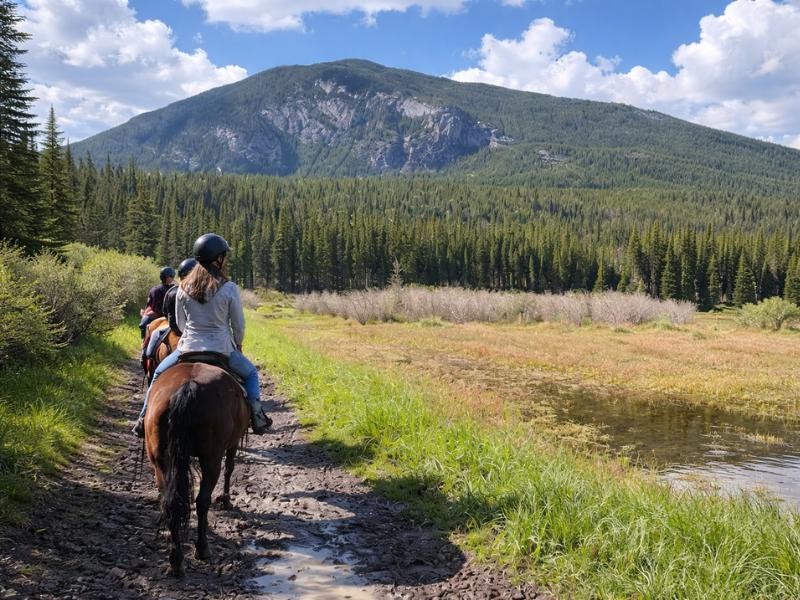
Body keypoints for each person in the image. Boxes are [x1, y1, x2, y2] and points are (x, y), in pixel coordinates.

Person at [133, 233, 270, 437]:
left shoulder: (182, 288)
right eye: (224, 256)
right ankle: (258, 417)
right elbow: (238, 325)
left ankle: (143, 417)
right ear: (218, 259)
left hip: (187, 349)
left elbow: (179, 323)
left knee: (159, 374)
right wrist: (238, 344)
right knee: (251, 374)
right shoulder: (229, 288)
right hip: (221, 349)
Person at [142, 258, 197, 362]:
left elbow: (164, 312)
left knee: (147, 329)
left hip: (170, 323)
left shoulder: (169, 291)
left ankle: (144, 352)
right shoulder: (212, 292)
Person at [139, 267, 176, 340]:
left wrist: (145, 313)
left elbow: (149, 305)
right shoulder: (174, 290)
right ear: (169, 277)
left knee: (143, 325)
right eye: (172, 277)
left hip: (155, 316)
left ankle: (144, 343)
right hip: (169, 317)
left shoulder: (154, 289)